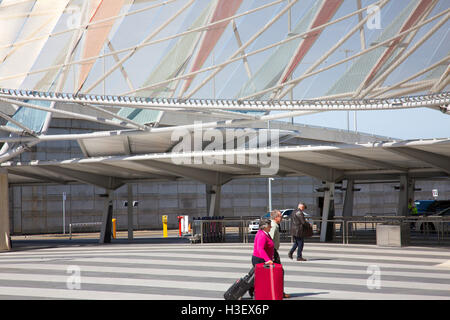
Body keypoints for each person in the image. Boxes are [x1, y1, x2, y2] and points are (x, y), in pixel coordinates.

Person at [269, 209, 290, 299]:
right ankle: (279, 292)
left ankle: (277, 290)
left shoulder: (273, 224)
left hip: (272, 251)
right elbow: (269, 240)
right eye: (280, 216)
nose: (282, 218)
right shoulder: (274, 226)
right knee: (280, 271)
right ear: (276, 217)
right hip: (272, 251)